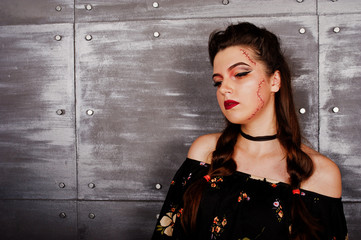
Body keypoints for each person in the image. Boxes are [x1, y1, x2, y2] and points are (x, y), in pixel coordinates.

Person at [151, 22, 348, 240]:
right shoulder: (205, 153)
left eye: (240, 74)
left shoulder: (321, 173)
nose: (224, 88)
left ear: (275, 81)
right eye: (218, 82)